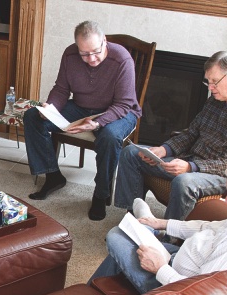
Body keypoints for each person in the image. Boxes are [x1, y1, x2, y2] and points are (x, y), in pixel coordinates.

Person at [89, 153, 227, 294]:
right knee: (126, 242)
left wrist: (159, 268)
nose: (226, 200)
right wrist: (162, 223)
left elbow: (195, 293)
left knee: (117, 235)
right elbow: (209, 227)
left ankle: (144, 231)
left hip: (171, 286)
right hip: (179, 258)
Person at [114, 51, 227, 221]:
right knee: (131, 154)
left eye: (215, 81)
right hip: (190, 161)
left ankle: (170, 238)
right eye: (208, 81)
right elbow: (192, 132)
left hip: (224, 176)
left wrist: (191, 167)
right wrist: (164, 149)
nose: (210, 87)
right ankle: (134, 218)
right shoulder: (215, 99)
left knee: (183, 182)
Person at [23, 20, 140, 221]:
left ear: (104, 41)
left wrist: (98, 123)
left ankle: (100, 193)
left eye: (95, 51)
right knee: (32, 116)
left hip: (119, 111)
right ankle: (53, 176)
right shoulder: (69, 55)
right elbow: (61, 89)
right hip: (81, 107)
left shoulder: (122, 59)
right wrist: (50, 108)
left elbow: (124, 104)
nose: (91, 59)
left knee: (110, 137)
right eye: (84, 54)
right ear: (77, 47)